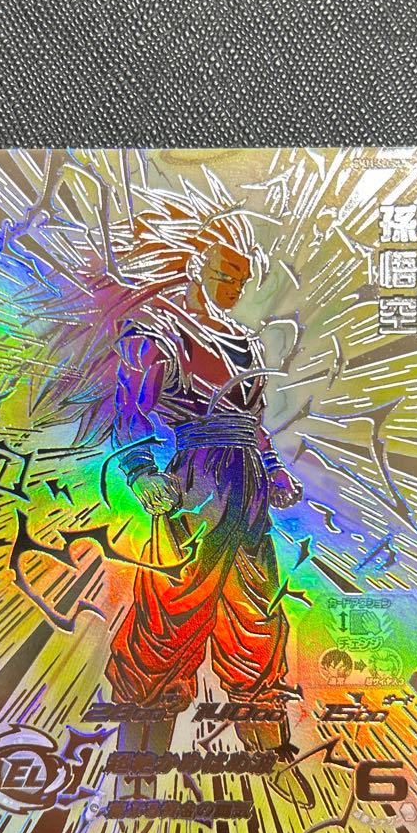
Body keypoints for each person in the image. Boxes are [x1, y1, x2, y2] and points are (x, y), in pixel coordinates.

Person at [106, 227, 307, 788]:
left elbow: (252, 424)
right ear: (198, 265)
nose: (236, 288)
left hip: (247, 492)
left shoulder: (244, 341)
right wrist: (141, 470)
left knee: (257, 615)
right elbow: (129, 406)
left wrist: (272, 468)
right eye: (226, 274)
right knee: (169, 615)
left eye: (243, 279)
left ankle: (269, 754)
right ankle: (137, 767)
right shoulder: (161, 332)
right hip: (193, 485)